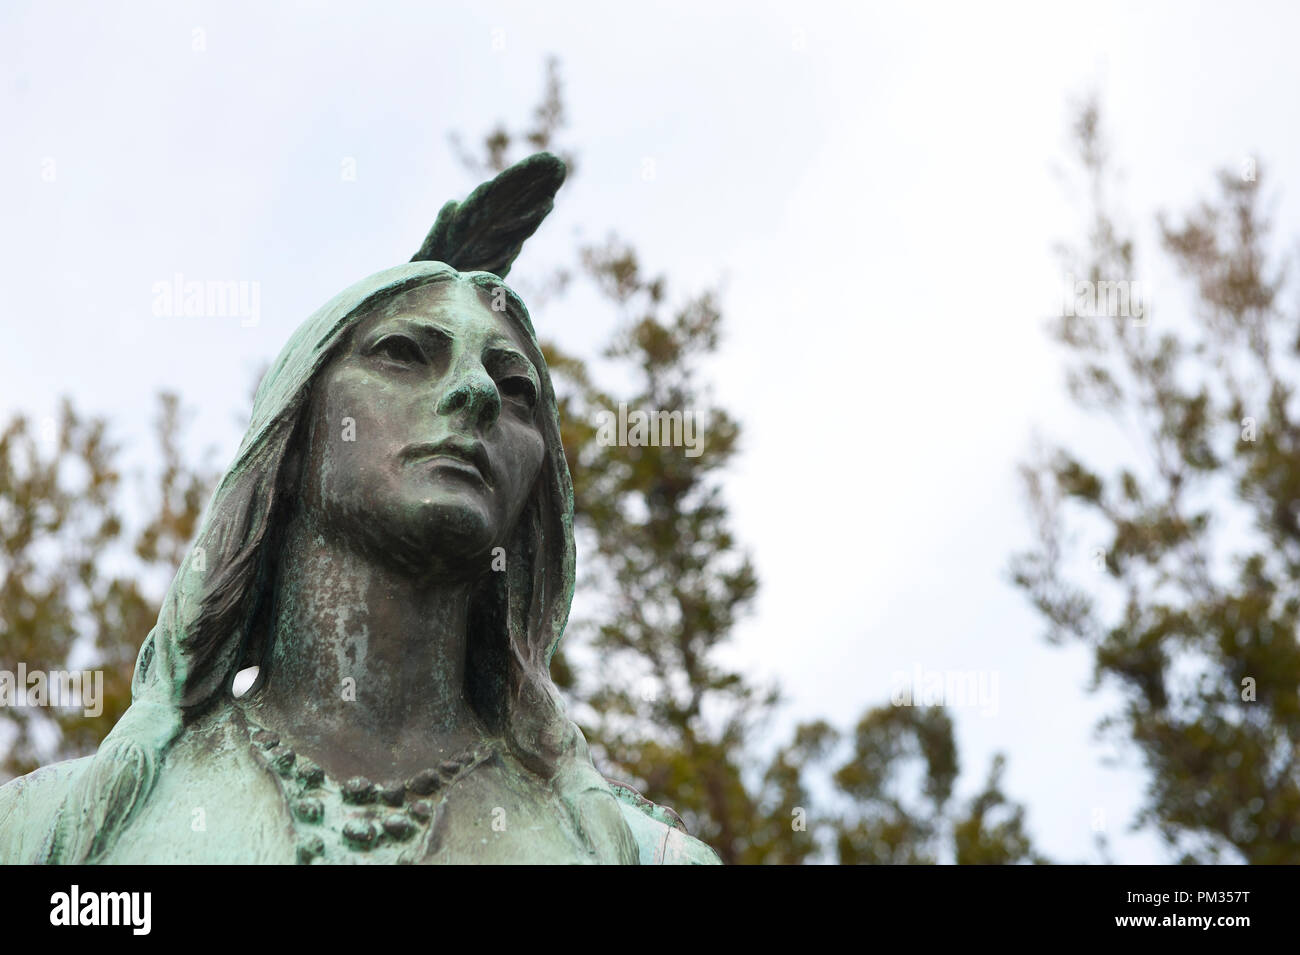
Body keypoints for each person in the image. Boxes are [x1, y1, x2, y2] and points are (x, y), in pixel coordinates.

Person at [0, 156, 719, 865]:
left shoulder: (644, 857)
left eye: (516, 385)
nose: (479, 392)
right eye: (406, 352)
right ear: (297, 432)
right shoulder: (47, 832)